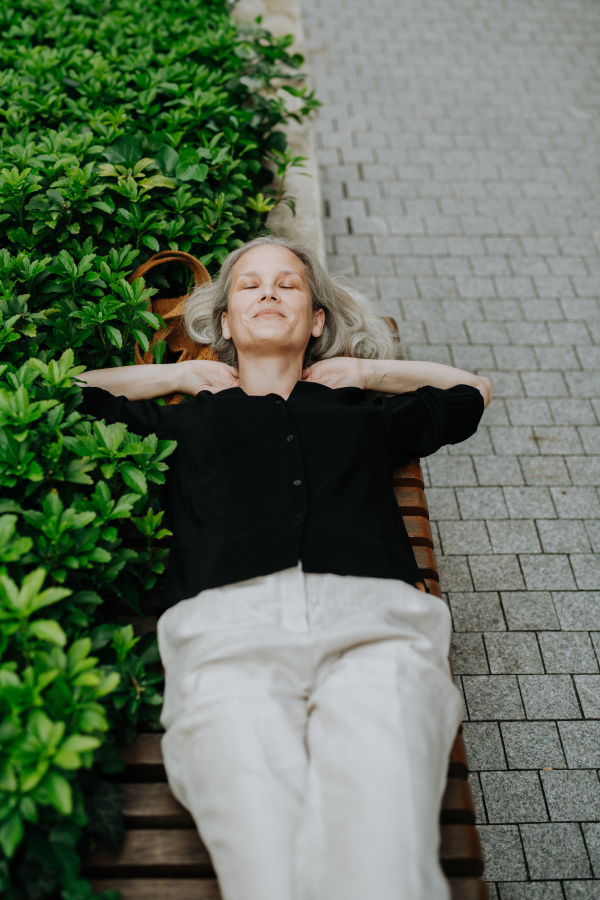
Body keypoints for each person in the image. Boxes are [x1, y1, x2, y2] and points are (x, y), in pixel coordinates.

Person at [78, 235, 492, 900]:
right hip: (227, 638)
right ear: (223, 324)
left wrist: (366, 374)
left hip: (376, 633)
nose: (269, 292)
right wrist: (180, 376)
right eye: (250, 285)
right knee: (264, 861)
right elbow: (71, 394)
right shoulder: (189, 420)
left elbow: (473, 391)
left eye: (288, 284)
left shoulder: (362, 412)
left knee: (384, 855)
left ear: (317, 321)